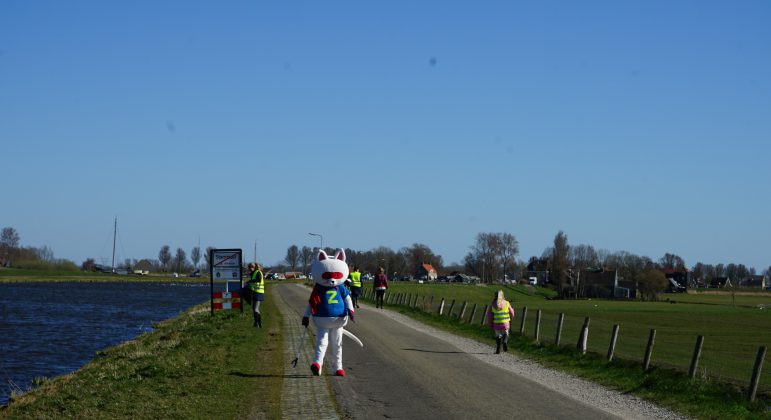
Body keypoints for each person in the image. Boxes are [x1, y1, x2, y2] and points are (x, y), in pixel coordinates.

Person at [486, 290, 516, 354]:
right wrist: (511, 317)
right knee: (506, 333)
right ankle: (505, 342)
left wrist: (490, 324)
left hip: (496, 323)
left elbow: (489, 316)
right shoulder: (507, 303)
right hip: (505, 323)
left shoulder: (492, 304)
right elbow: (511, 312)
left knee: (498, 335)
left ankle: (498, 349)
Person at [247, 262, 265, 328]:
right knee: (255, 309)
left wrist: (251, 281)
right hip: (255, 292)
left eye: (251, 267)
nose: (250, 268)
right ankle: (257, 323)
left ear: (255, 267)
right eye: (249, 267)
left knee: (255, 309)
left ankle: (258, 324)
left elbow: (258, 280)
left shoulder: (258, 272)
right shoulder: (254, 273)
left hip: (258, 292)